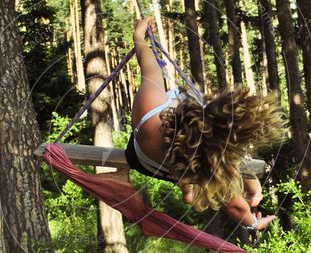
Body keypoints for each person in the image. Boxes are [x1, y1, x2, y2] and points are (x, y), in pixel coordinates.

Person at [122, 17, 285, 232]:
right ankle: (188, 186)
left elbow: (149, 67)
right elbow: (235, 206)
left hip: (142, 160)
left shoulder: (150, 113)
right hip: (184, 168)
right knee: (214, 166)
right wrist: (254, 223)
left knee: (193, 159)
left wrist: (138, 37)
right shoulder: (212, 167)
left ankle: (187, 185)